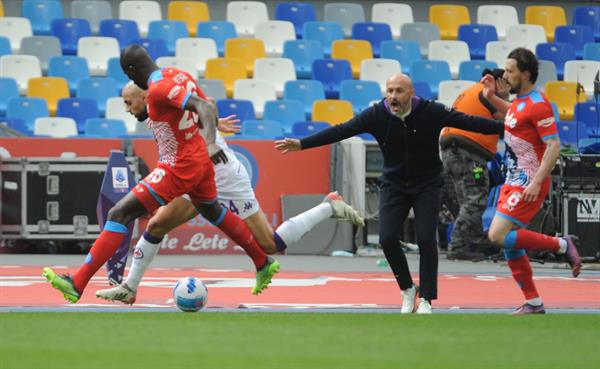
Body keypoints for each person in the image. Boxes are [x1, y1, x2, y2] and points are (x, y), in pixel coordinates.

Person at [42, 45, 280, 302]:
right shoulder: (177, 75)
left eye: (128, 75)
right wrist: (208, 139)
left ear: (132, 71)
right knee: (212, 210)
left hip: (179, 165)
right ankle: (261, 261)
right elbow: (201, 107)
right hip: (199, 160)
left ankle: (77, 283)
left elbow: (205, 107)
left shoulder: (159, 90)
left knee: (119, 213)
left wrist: (212, 141)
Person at [94, 82, 364, 304]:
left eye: (129, 102)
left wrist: (212, 120)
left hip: (225, 176)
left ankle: (329, 206)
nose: (127, 109)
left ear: (144, 95)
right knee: (156, 225)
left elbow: (206, 102)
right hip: (194, 176)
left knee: (269, 244)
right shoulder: (153, 112)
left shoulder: (165, 96)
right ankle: (129, 287)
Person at [275, 73, 504, 314]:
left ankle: (426, 298)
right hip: (394, 185)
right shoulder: (376, 115)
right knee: (386, 239)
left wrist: (512, 125)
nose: (393, 96)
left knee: (427, 240)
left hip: (427, 184)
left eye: (399, 91)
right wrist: (303, 144)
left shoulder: (431, 111)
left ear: (411, 94)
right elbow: (341, 131)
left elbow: (471, 122)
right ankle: (408, 289)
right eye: (390, 90)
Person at [485, 48, 582, 314]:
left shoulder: (539, 104)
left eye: (510, 71)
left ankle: (562, 244)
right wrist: (492, 97)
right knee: (509, 243)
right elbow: (515, 116)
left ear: (525, 74)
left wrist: (537, 182)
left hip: (528, 180)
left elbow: (554, 145)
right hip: (513, 178)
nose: (505, 75)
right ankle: (534, 302)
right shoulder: (521, 101)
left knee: (497, 235)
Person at [441, 68, 510, 260]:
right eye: (506, 85)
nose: (508, 91)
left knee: (467, 201)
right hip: (468, 153)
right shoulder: (487, 93)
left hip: (452, 152)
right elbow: (511, 120)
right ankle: (458, 246)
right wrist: (504, 96)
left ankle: (478, 242)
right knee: (475, 201)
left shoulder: (470, 91)